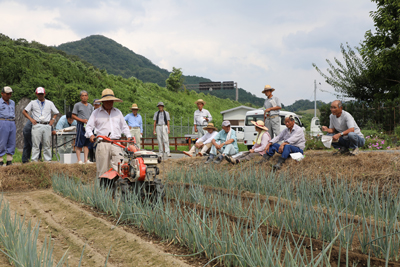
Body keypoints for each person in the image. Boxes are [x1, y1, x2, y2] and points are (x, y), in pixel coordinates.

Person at [85, 88, 131, 178]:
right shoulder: (96, 113)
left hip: (117, 143)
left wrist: (128, 136)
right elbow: (88, 127)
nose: (110, 103)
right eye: (107, 101)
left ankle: (118, 188)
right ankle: (103, 190)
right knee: (102, 169)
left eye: (111, 101)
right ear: (103, 102)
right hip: (103, 143)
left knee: (120, 168)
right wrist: (91, 135)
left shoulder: (118, 112)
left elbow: (124, 126)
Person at [23, 87, 59, 162]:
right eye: (39, 94)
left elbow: (56, 112)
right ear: (36, 94)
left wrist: (53, 120)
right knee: (35, 144)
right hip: (37, 124)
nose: (40, 95)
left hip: (47, 124)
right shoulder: (33, 102)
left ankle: (47, 160)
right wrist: (31, 119)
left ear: (44, 94)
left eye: (42, 94)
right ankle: (34, 160)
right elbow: (24, 111)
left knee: (47, 144)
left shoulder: (49, 103)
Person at [72, 90, 94, 164]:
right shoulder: (77, 105)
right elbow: (73, 115)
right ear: (80, 97)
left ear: (87, 97)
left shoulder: (90, 106)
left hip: (88, 125)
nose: (84, 97)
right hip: (81, 125)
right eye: (82, 95)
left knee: (87, 143)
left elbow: (92, 115)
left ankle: (86, 159)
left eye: (85, 95)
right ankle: (79, 160)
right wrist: (81, 120)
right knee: (79, 142)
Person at [0, 86, 16, 166]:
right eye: (7, 94)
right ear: (2, 93)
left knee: (11, 141)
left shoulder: (12, 102)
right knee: (2, 141)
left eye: (10, 94)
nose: (9, 95)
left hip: (12, 121)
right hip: (2, 121)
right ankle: (0, 159)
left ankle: (9, 159)